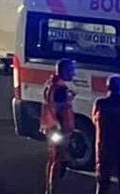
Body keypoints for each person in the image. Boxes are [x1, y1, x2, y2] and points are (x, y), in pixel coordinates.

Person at [40, 59, 76, 194]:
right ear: (64, 71)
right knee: (58, 161)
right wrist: (62, 130)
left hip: (52, 128)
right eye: (71, 70)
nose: (73, 73)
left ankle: (50, 189)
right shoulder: (60, 89)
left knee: (54, 159)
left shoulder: (52, 84)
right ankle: (52, 190)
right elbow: (58, 108)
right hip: (59, 130)